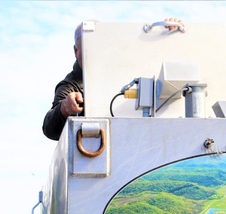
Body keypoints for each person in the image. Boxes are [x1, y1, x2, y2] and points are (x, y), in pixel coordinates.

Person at [42, 19, 183, 140]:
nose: (92, 53)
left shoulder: (128, 67)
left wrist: (170, 37)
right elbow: (49, 129)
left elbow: (161, 70)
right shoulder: (71, 85)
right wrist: (64, 108)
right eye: (86, 48)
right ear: (75, 51)